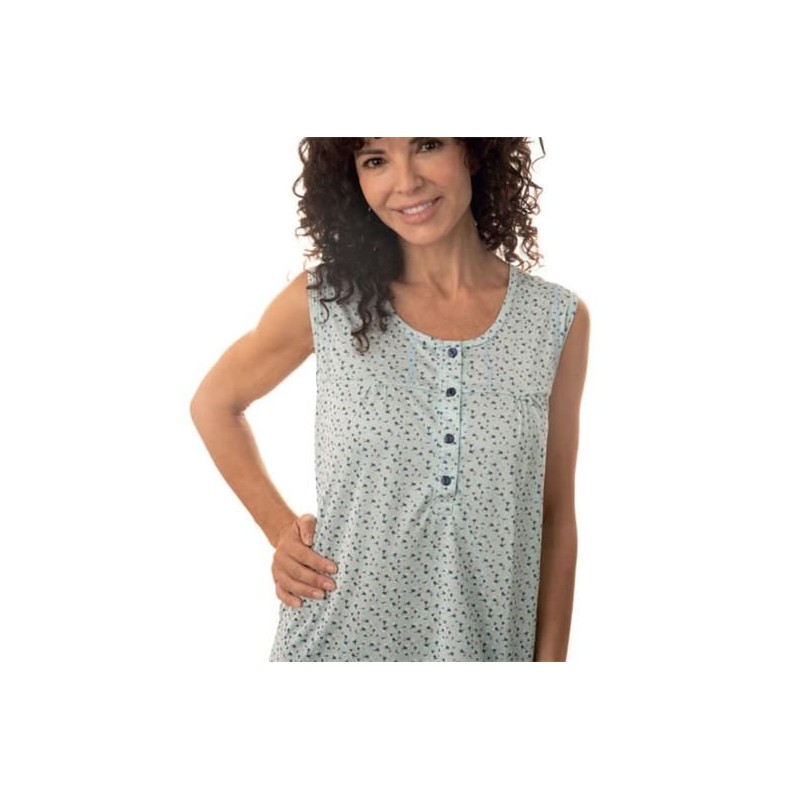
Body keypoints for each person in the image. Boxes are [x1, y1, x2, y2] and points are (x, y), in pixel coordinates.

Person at [190, 137, 590, 661]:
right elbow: (215, 403)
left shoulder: (553, 320)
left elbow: (554, 518)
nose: (406, 182)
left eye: (427, 145)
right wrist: (280, 530)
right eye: (375, 160)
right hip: (333, 644)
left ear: (474, 149)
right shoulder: (328, 300)